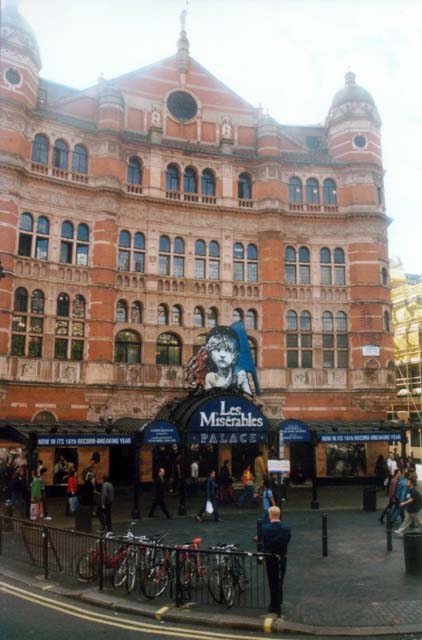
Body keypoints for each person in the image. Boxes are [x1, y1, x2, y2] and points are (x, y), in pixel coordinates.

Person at [186, 326, 251, 394]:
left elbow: (248, 394)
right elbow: (209, 397)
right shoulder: (210, 377)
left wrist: (243, 382)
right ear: (210, 353)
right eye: (217, 350)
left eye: (228, 350)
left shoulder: (239, 375)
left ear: (235, 355)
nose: (222, 355)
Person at [262, 505, 291, 616]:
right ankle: (279, 601)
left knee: (272, 580)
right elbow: (287, 541)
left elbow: (265, 543)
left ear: (270, 516)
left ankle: (273, 604)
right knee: (280, 579)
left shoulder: (265, 528)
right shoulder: (286, 528)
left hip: (270, 557)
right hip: (282, 556)